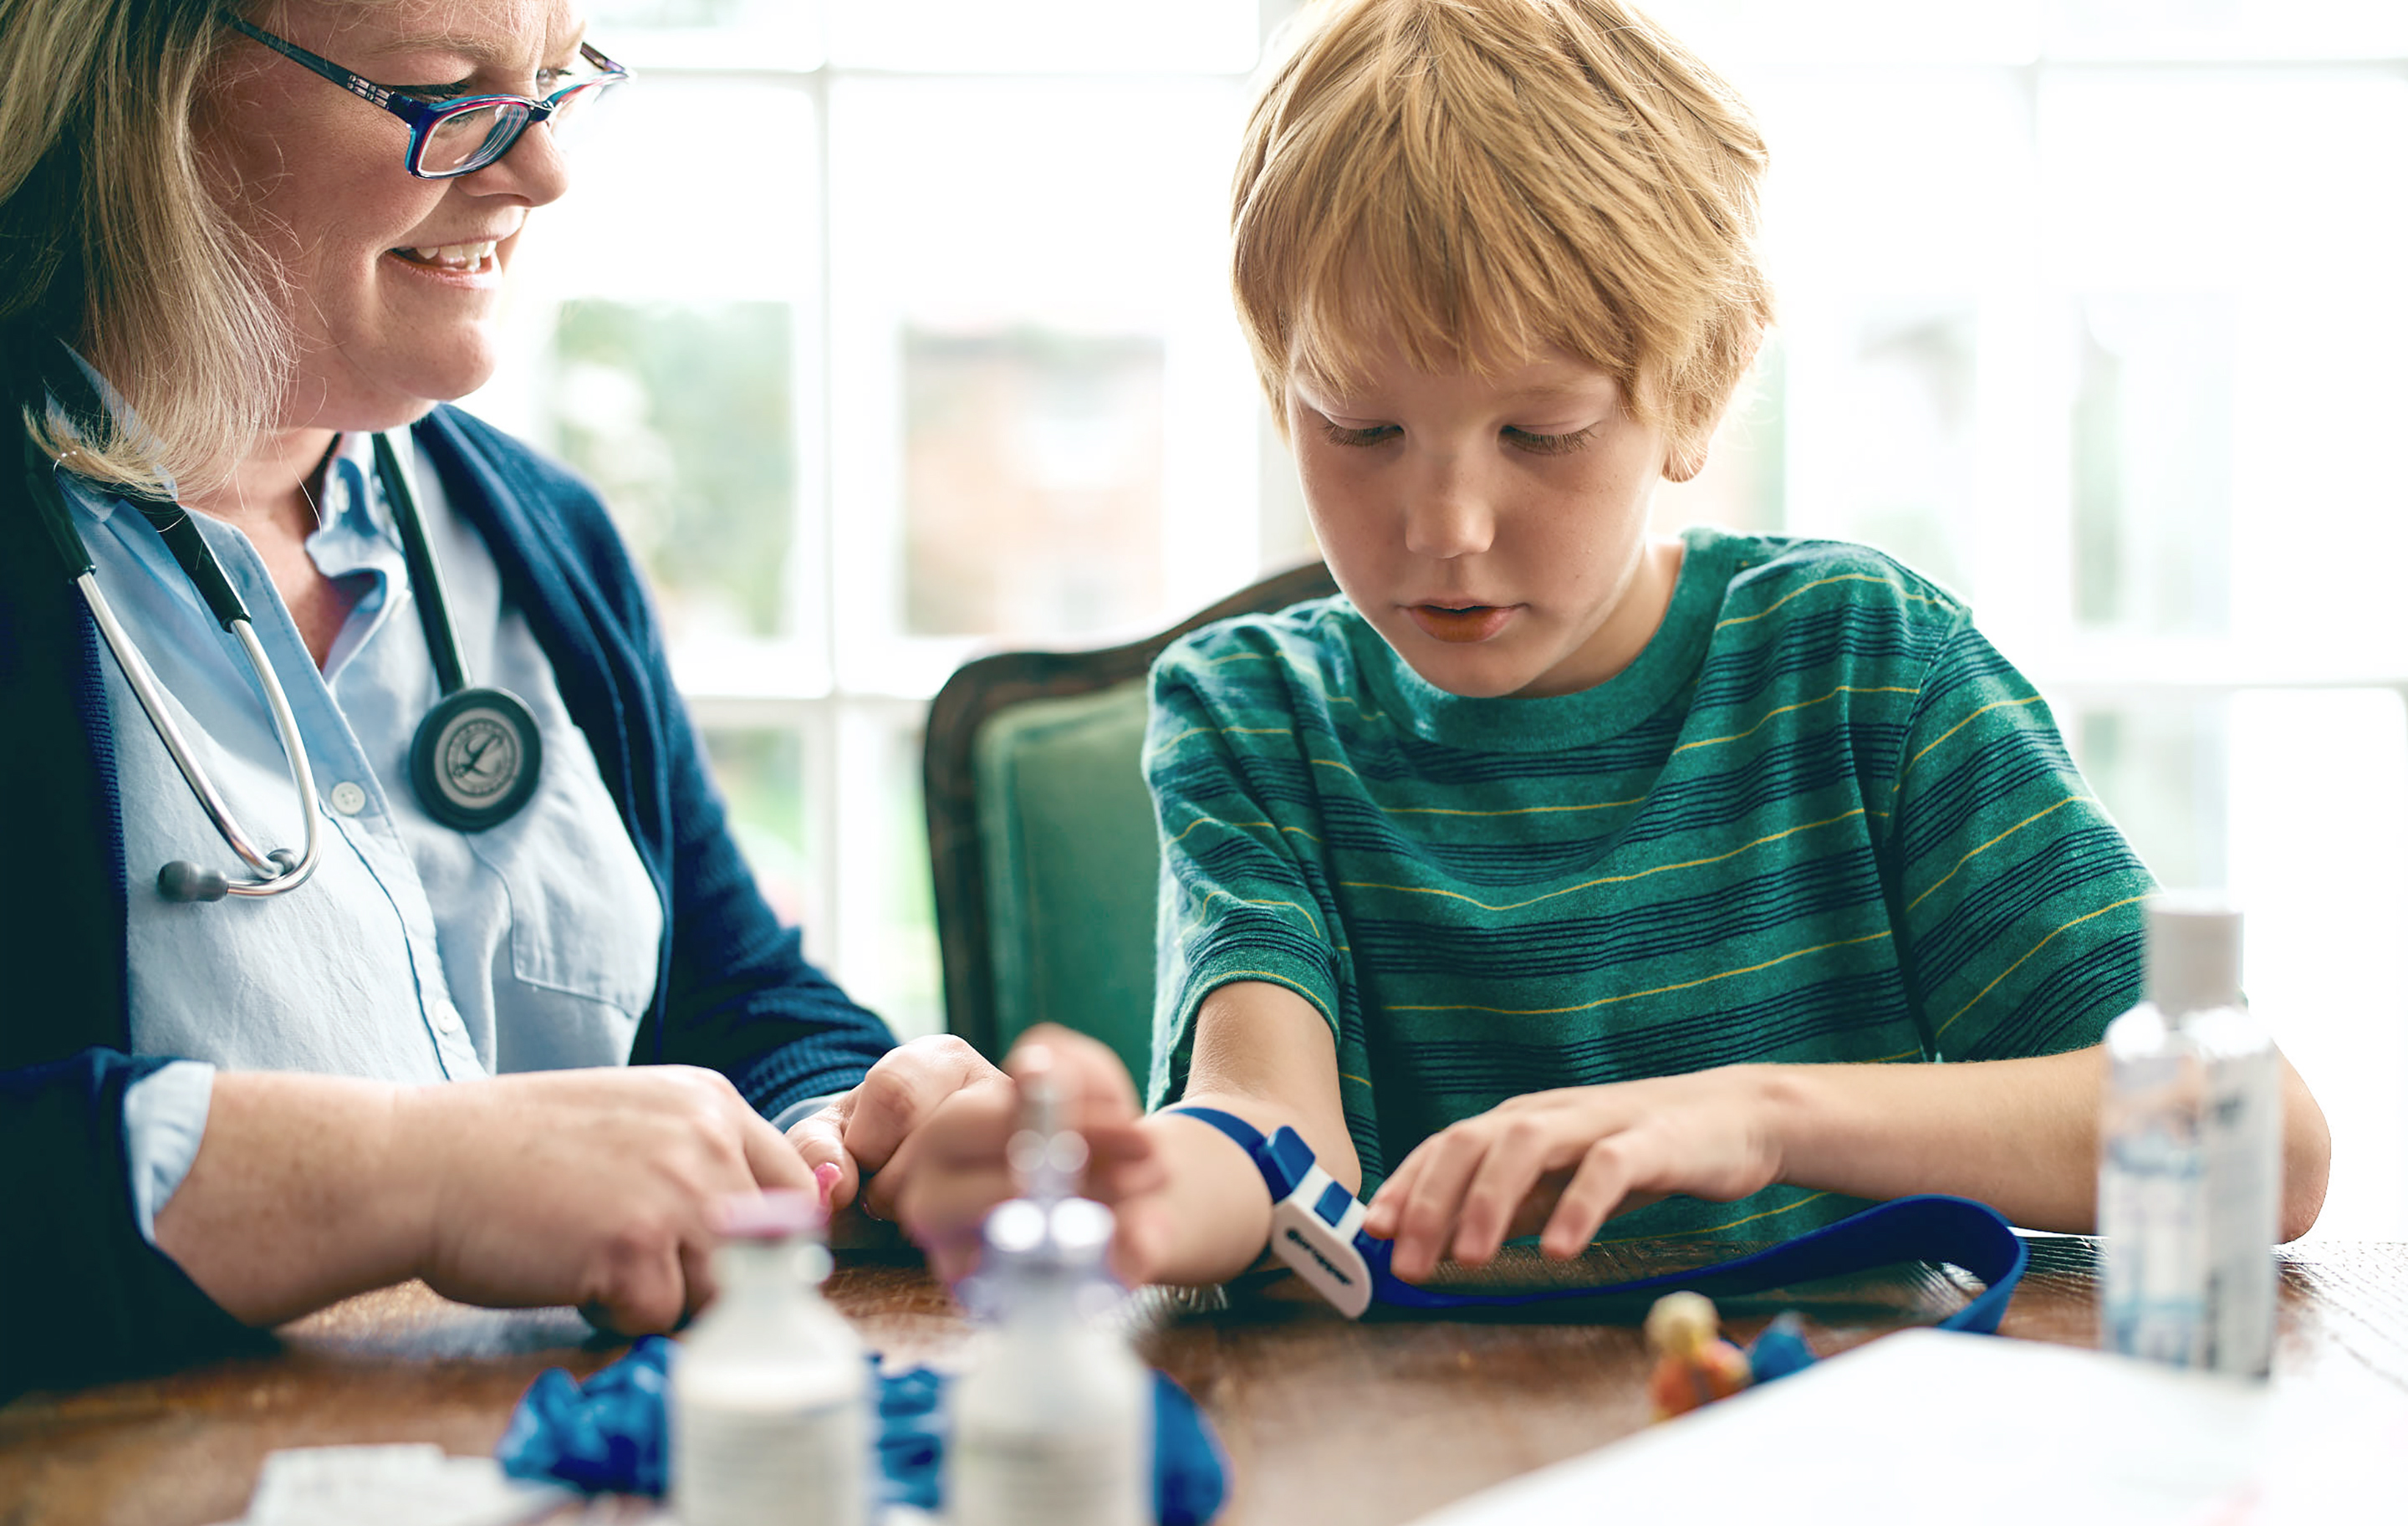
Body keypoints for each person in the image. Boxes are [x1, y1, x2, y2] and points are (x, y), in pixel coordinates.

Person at [889, 0, 2333, 1293]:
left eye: (1542, 433)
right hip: (1415, 1454)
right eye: (1361, 428)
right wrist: (1132, 1195)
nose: (1444, 522)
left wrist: (1758, 1111)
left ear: (1694, 392)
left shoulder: (1865, 667)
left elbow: (2263, 1145)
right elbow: (1270, 1133)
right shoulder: (1252, 712)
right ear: (1281, 391)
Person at [0, 0, 999, 1396]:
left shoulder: (537, 534)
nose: (540, 172)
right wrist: (410, 1176)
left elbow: (730, 994)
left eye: (553, 82)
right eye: (440, 95)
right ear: (145, 98)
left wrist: (846, 1114)